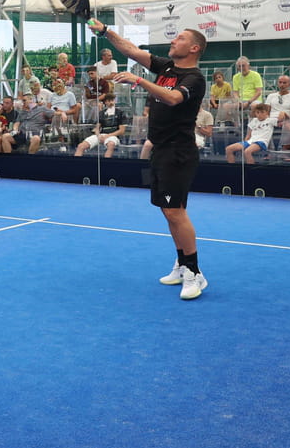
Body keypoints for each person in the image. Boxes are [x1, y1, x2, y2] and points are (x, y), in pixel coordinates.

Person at [89, 21, 209, 300]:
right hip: (161, 150)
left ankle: (194, 273)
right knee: (168, 211)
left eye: (179, 38)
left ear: (193, 48)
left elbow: (172, 99)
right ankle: (181, 264)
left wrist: (139, 80)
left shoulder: (194, 78)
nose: (173, 40)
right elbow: (130, 49)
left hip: (178, 151)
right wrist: (105, 31)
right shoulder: (166, 67)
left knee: (176, 211)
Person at [74, 92, 127, 158]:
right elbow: (97, 128)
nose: (111, 103)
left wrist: (108, 136)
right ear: (105, 102)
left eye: (112, 100)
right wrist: (98, 135)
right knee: (81, 146)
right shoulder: (101, 113)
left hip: (113, 136)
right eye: (109, 101)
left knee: (111, 145)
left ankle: (105, 165)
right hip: (101, 135)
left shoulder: (120, 113)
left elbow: (122, 131)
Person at [266, 74, 290, 150]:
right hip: (272, 119)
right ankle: (269, 150)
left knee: (287, 124)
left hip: (287, 119)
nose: (282, 85)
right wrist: (273, 121)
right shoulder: (271, 96)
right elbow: (266, 112)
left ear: (289, 84)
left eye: (284, 83)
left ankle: (285, 150)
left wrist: (286, 120)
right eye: (280, 82)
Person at [224, 57, 263, 124]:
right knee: (226, 106)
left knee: (254, 106)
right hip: (241, 100)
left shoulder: (256, 75)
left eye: (243, 65)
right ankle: (235, 126)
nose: (241, 68)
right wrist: (238, 101)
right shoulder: (235, 77)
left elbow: (258, 92)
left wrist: (248, 102)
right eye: (239, 66)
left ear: (248, 66)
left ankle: (251, 125)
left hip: (253, 100)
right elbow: (235, 92)